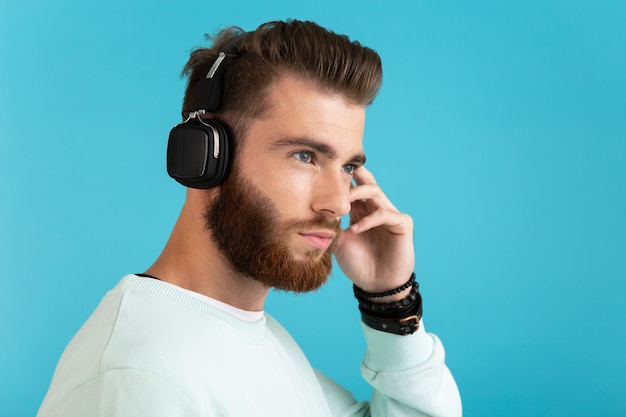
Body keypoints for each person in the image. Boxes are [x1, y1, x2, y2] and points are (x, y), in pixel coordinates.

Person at [37, 19, 462, 416]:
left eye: (348, 168)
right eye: (305, 156)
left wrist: (391, 301)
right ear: (206, 156)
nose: (339, 204)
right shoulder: (142, 380)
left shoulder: (257, 337)